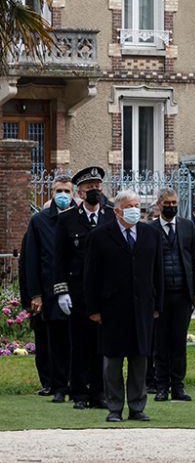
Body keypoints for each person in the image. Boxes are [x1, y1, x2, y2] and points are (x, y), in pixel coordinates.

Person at [84, 190, 163, 422]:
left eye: (137, 205)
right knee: (113, 362)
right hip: (112, 308)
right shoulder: (100, 236)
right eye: (130, 205)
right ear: (118, 211)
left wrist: (157, 304)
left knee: (140, 359)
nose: (135, 209)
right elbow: (91, 276)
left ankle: (137, 407)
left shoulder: (150, 234)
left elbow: (158, 272)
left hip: (143, 307)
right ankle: (115, 407)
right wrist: (94, 308)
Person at [53, 166, 116, 410]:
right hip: (77, 292)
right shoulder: (67, 219)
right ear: (79, 193)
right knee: (80, 345)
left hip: (105, 293)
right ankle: (79, 393)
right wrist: (62, 292)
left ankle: (99, 393)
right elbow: (59, 259)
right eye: (89, 188)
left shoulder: (111, 216)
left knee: (103, 345)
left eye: (97, 187)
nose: (94, 192)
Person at [22, 175, 76, 403]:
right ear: (52, 193)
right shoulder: (40, 221)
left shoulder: (81, 218)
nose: (62, 195)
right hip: (50, 290)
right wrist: (34, 294)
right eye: (58, 191)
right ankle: (56, 385)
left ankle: (78, 383)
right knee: (55, 342)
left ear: (73, 194)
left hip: (77, 291)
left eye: (66, 191)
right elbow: (31, 260)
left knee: (78, 341)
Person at [152, 189, 195, 402]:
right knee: (161, 343)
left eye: (174, 202)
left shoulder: (187, 226)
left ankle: (178, 386)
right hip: (161, 296)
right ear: (159, 204)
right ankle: (162, 386)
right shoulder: (150, 229)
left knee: (179, 342)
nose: (171, 206)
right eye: (167, 203)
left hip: (183, 294)